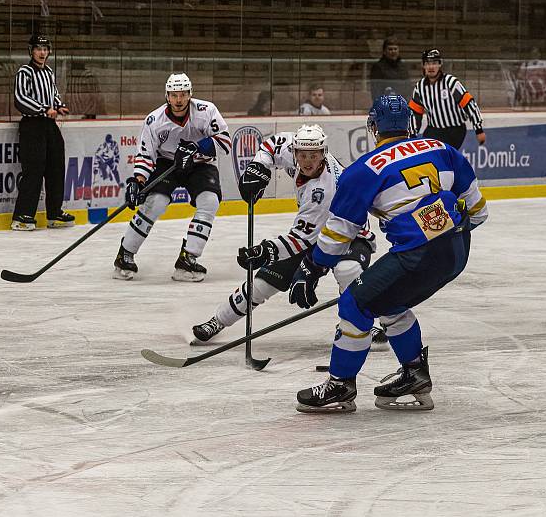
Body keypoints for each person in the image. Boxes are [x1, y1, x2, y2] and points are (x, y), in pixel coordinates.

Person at [288, 95, 489, 414]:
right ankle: (414, 375)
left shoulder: (364, 170)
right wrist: (443, 234)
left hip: (417, 255)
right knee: (390, 301)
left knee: (355, 303)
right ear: (408, 124)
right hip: (458, 249)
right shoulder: (441, 149)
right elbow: (478, 211)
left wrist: (311, 268)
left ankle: (340, 385)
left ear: (373, 127)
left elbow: (339, 233)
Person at [191, 124, 385, 346]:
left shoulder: (322, 190)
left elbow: (300, 240)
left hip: (350, 234)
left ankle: (360, 324)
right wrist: (259, 166)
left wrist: (265, 251)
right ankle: (218, 320)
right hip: (314, 232)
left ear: (323, 153)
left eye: (314, 155)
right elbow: (271, 145)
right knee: (264, 283)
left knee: (347, 270)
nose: (308, 161)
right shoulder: (295, 150)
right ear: (294, 152)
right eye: (302, 155)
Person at [113, 73, 231, 282]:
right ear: (167, 95)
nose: (178, 100)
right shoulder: (154, 120)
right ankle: (125, 254)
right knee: (155, 202)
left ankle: (188, 258)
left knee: (209, 201)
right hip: (167, 163)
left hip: (199, 163)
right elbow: (145, 155)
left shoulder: (206, 111)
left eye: (183, 95)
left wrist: (195, 148)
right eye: (174, 95)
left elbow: (224, 142)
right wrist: (138, 181)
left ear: (190, 94)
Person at [11, 34, 74, 231]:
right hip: (32, 125)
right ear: (31, 51)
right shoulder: (24, 72)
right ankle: (22, 215)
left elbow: (53, 93)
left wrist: (59, 105)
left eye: (45, 49)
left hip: (49, 125)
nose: (42, 52)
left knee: (56, 168)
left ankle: (54, 213)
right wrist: (44, 109)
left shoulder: (48, 72)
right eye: (38, 48)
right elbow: (20, 98)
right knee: (34, 170)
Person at [408, 48, 486, 150]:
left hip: (455, 130)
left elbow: (469, 105)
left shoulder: (451, 82)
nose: (431, 67)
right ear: (423, 65)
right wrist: (412, 136)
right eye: (427, 63)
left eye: (434, 63)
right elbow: (415, 114)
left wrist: (478, 129)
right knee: (427, 154)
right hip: (434, 130)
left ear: (440, 64)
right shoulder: (420, 87)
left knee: (444, 157)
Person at [369, 37, 411, 101]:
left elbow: (408, 86)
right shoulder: (378, 67)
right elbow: (376, 91)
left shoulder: (403, 66)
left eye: (395, 49)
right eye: (390, 49)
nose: (393, 51)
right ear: (384, 51)